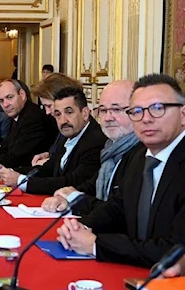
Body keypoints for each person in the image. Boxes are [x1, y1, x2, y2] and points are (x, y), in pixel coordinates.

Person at [56, 74, 185, 267]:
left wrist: (95, 245)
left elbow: (174, 250)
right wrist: (81, 226)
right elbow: (116, 209)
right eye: (137, 111)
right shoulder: (140, 156)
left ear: (183, 114)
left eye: (158, 109)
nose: (146, 119)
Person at [41, 81, 142, 215]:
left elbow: (119, 211)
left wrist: (75, 198)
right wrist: (66, 196)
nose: (107, 118)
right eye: (103, 110)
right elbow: (91, 185)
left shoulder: (142, 153)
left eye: (116, 109)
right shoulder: (111, 148)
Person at [0, 86, 107, 195]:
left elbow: (73, 182)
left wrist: (21, 181)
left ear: (85, 113)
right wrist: (10, 172)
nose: (63, 120)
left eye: (69, 112)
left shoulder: (95, 140)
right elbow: (48, 168)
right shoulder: (66, 135)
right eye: (58, 114)